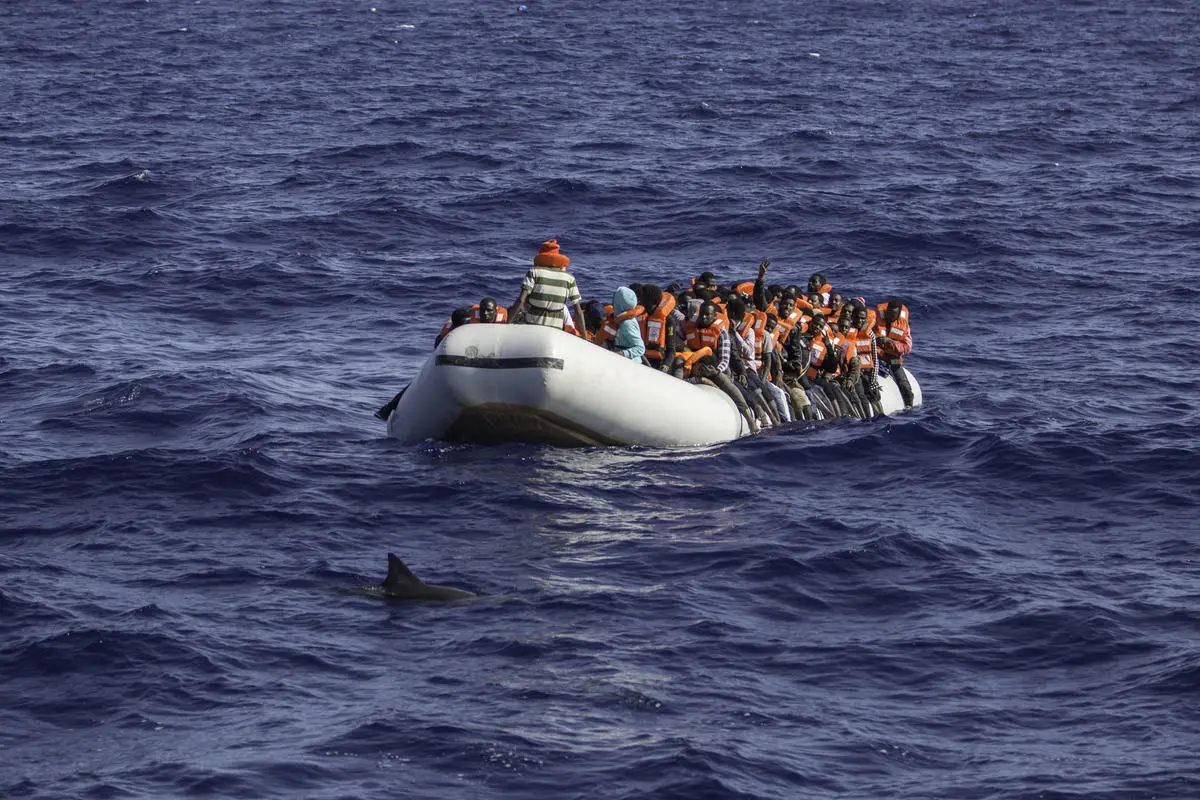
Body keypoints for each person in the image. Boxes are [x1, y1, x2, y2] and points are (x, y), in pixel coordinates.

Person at [509, 239, 587, 335]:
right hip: (555, 331)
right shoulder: (569, 278)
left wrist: (507, 324)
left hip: (532, 328)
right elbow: (578, 311)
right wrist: (584, 337)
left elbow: (521, 300)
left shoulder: (534, 272)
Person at [874, 297, 914, 408]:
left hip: (893, 359)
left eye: (893, 314)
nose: (890, 317)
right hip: (874, 356)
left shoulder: (904, 327)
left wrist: (891, 342)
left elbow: (907, 348)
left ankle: (909, 407)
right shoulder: (875, 320)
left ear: (898, 314)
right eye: (889, 313)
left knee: (904, 386)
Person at [608, 286, 646, 361]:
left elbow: (640, 348)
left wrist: (621, 354)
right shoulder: (620, 320)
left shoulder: (627, 323)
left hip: (631, 365)